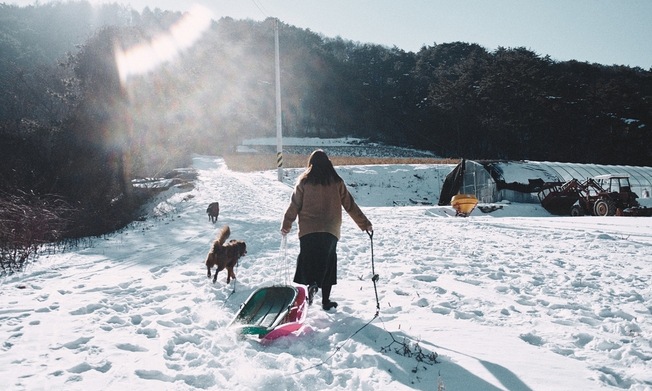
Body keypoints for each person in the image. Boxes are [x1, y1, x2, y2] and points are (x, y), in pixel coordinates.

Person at [281, 150, 373, 311]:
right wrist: (365, 224)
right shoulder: (337, 182)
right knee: (328, 262)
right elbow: (350, 205)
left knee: (308, 260)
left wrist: (287, 224)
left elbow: (294, 205)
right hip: (330, 229)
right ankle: (325, 301)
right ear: (328, 163)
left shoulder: (304, 182)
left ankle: (311, 286)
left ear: (311, 163)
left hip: (308, 230)